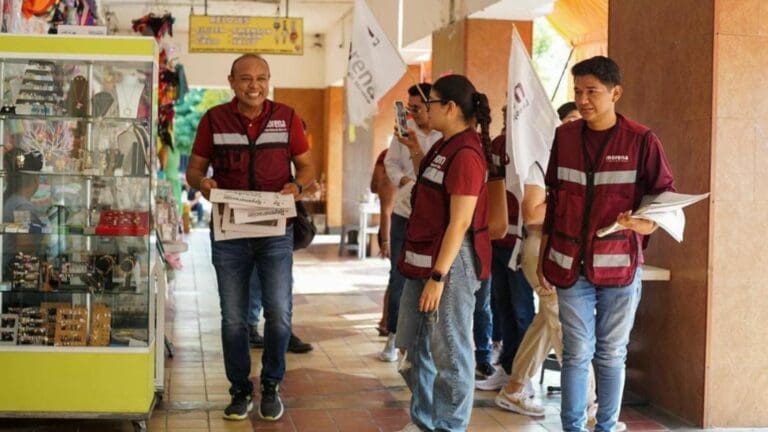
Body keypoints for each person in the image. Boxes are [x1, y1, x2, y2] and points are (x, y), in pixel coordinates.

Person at [538, 56, 675, 432]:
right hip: (569, 265)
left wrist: (643, 224)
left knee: (611, 353)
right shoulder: (564, 137)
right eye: (578, 92)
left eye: (592, 92)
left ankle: (606, 426)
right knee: (576, 354)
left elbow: (663, 200)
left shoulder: (642, 140)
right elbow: (555, 197)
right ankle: (572, 427)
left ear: (615, 93)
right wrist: (545, 253)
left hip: (620, 266)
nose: (583, 100)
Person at [186, 53, 315, 422]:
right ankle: (240, 389)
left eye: (261, 78)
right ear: (231, 81)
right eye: (245, 78)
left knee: (279, 313)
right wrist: (204, 184)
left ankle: (272, 384)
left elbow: (306, 165)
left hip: (275, 229)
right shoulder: (213, 119)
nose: (253, 85)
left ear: (269, 80)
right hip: (229, 231)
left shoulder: (287, 117)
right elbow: (194, 171)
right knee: (234, 318)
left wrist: (298, 185)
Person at [395, 74, 492, 432]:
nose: (424, 110)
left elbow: (460, 222)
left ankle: (449, 426)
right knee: (412, 346)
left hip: (449, 263)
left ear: (450, 108)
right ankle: (423, 422)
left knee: (450, 352)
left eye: (431, 103)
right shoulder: (442, 144)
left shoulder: (466, 152)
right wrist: (414, 150)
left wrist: (438, 277)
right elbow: (432, 182)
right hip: (423, 260)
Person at [490, 102, 588, 416]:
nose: (578, 125)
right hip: (539, 248)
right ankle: (589, 407)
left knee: (546, 321)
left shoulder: (579, 161)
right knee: (563, 322)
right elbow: (532, 213)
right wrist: (575, 205)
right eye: (571, 119)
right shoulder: (542, 157)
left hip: (564, 248)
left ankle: (515, 387)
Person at [379, 83, 441, 362]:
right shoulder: (404, 133)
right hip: (405, 213)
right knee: (399, 274)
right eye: (409, 108)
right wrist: (403, 181)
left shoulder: (444, 134)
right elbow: (391, 163)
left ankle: (422, 340)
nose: (412, 113)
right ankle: (393, 335)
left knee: (427, 278)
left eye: (416, 108)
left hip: (434, 219)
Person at [475, 105, 535, 392]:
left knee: (523, 310)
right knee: (503, 308)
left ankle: (525, 376)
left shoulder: (536, 146)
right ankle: (508, 367)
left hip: (523, 245)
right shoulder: (496, 145)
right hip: (497, 241)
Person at [370, 149, 396, 336]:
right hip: (393, 231)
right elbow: (386, 211)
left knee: (395, 278)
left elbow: (373, 186)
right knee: (396, 278)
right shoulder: (389, 165)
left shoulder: (385, 157)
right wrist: (386, 242)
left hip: (390, 231)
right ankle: (387, 322)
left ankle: (387, 321)